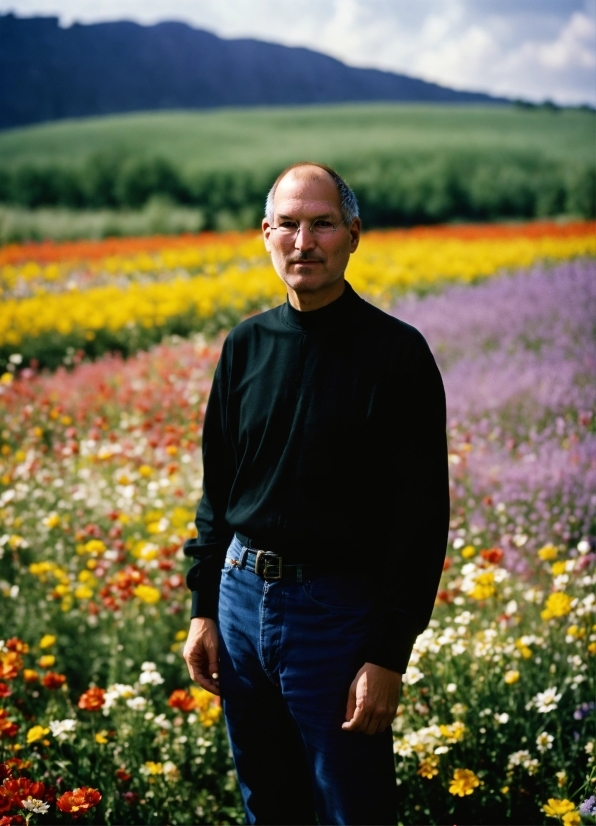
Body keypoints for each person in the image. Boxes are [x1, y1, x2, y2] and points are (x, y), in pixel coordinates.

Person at [183, 162, 449, 825]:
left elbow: (422, 518)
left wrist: (389, 653)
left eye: (323, 224)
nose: (305, 242)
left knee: (350, 807)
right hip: (240, 600)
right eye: (290, 225)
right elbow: (219, 490)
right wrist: (203, 607)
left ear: (354, 234)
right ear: (265, 234)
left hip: (334, 614)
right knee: (266, 803)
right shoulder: (245, 346)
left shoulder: (397, 354)